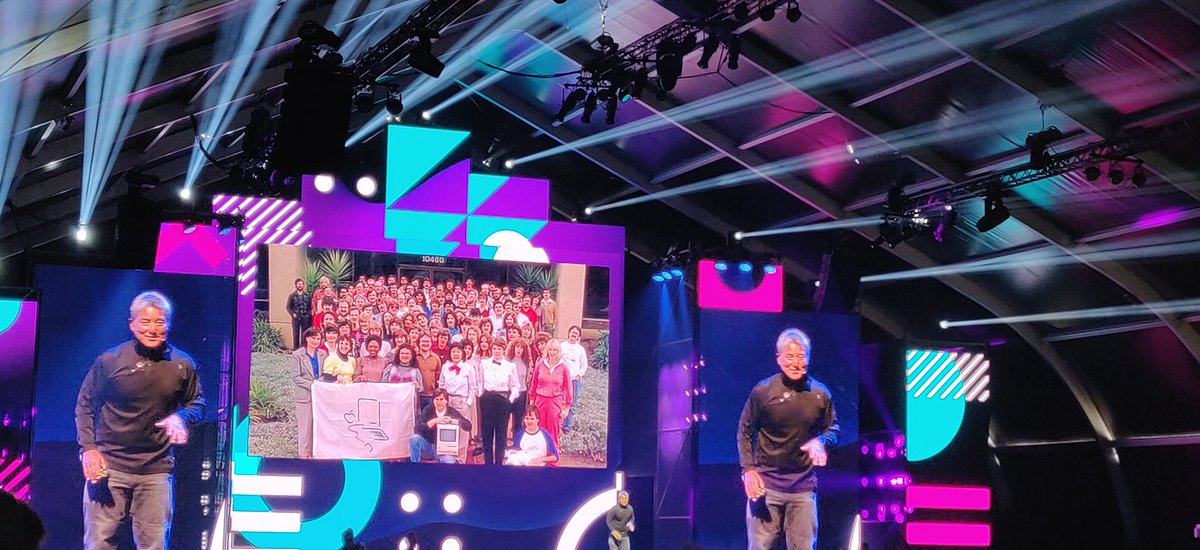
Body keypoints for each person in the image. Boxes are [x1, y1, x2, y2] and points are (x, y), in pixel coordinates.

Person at [76, 291, 206, 550]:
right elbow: (85, 404)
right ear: (132, 324)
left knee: (154, 545)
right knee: (98, 544)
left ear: (169, 324)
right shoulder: (110, 360)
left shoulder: (182, 364)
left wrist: (181, 417)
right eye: (145, 322)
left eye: (159, 322)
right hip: (109, 467)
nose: (152, 329)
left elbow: (198, 404)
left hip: (156, 471)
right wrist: (88, 449)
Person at [738, 328, 839, 550]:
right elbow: (744, 431)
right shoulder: (763, 392)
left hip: (803, 487)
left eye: (801, 356)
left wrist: (821, 442)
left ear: (808, 358)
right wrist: (748, 470)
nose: (795, 363)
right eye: (790, 356)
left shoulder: (820, 395)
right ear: (779, 358)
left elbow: (833, 429)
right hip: (766, 485)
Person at [477, 339, 520, 465]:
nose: (496, 351)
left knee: (501, 434)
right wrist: (481, 395)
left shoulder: (510, 366)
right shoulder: (484, 363)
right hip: (487, 399)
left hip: (502, 400)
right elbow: (480, 382)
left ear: (504, 350)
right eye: (494, 348)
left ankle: (499, 464)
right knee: (487, 433)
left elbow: (515, 386)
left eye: (499, 349)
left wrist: (509, 400)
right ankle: (488, 464)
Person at [528, 339, 572, 449]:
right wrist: (532, 401)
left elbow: (569, 388)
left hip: (555, 401)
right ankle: (539, 451)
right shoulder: (540, 364)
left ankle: (553, 452)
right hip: (540, 400)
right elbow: (534, 383)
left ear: (559, 351)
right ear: (547, 351)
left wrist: (567, 407)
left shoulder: (564, 367)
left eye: (555, 350)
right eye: (550, 350)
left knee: (553, 428)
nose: (552, 352)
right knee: (539, 427)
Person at [291, 327, 327, 459]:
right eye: (313, 338)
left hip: (319, 395)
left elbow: (324, 374)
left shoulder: (323, 354)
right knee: (305, 428)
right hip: (304, 396)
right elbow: (296, 376)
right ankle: (303, 455)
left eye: (318, 339)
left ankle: (314, 454)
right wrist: (311, 385)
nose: (315, 341)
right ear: (307, 338)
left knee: (316, 426)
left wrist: (319, 384)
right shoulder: (298, 355)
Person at [410, 389, 472, 464]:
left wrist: (454, 421)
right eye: (436, 399)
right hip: (428, 446)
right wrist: (435, 421)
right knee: (414, 438)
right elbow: (417, 428)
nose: (439, 402)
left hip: (443, 450)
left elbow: (468, 426)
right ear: (433, 401)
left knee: (450, 462)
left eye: (441, 399)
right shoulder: (428, 410)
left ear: (446, 401)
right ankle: (414, 465)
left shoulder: (451, 412)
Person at [560, 326, 589, 430]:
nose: (574, 334)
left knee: (572, 402)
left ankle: (566, 425)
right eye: (572, 332)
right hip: (561, 379)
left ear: (578, 337)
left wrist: (579, 374)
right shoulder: (561, 346)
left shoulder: (580, 349)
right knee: (560, 401)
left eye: (576, 333)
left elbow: (584, 364)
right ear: (568, 333)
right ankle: (558, 423)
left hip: (574, 380)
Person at [286, 278, 311, 349]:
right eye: (299, 284)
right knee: (296, 334)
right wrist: (292, 314)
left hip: (305, 317)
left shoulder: (307, 295)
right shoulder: (292, 295)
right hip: (296, 318)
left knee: (304, 333)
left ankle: (304, 348)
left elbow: (310, 306)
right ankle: (296, 349)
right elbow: (288, 307)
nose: (300, 285)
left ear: (303, 285)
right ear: (296, 285)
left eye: (301, 284)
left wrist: (308, 315)